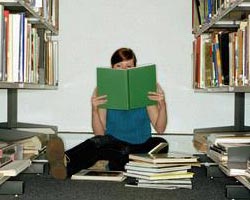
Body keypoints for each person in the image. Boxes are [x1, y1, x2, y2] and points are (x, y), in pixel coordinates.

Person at [47, 47, 168, 180]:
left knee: (162, 143)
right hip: (115, 146)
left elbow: (160, 129)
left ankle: (116, 164)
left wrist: (162, 104)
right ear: (112, 68)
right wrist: (94, 109)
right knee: (100, 144)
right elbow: (99, 134)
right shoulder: (103, 89)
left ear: (135, 68)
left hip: (140, 147)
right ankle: (63, 163)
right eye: (119, 66)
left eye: (129, 66)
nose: (124, 69)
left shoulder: (146, 88)